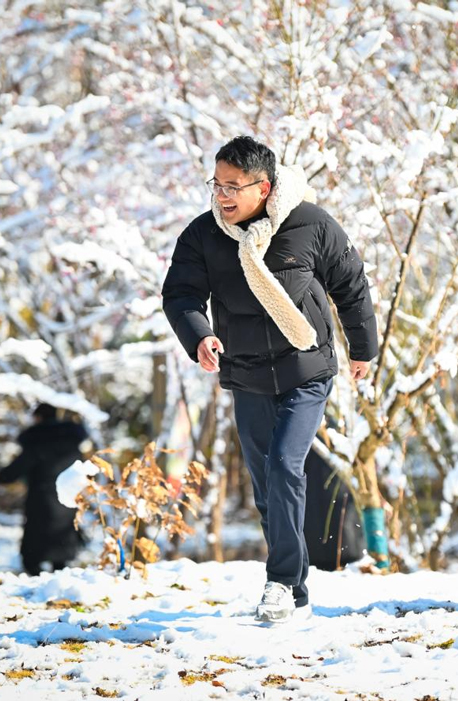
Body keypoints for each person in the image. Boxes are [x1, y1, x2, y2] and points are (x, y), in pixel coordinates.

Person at [161, 136, 378, 622]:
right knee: (266, 487)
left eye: (233, 186)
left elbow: (351, 282)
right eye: (216, 185)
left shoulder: (309, 223)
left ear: (264, 187)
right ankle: (296, 586)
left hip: (306, 367)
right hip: (247, 371)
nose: (222, 196)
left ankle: (279, 581)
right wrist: (199, 336)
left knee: (285, 464)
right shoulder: (204, 235)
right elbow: (180, 294)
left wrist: (363, 348)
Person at [0, 403, 89, 576]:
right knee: (61, 551)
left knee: (33, 553)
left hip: (41, 499)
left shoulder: (37, 441)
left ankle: (38, 580)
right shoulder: (72, 441)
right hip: (67, 499)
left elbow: (17, 468)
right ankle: (56, 580)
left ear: (38, 418)